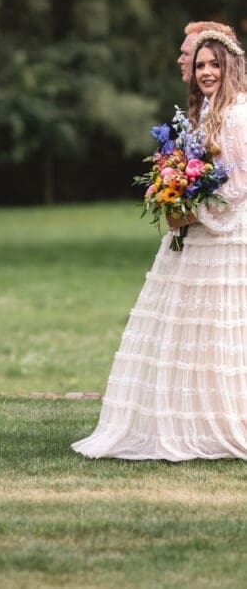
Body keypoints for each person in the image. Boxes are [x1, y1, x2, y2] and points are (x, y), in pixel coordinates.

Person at [72, 30, 247, 460]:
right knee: (191, 329)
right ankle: (193, 419)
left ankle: (226, 420)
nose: (205, 72)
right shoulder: (206, 110)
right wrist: (176, 193)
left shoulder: (238, 115)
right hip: (196, 234)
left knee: (220, 328)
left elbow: (239, 185)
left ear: (230, 67)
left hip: (226, 238)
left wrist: (196, 210)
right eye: (200, 65)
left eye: (213, 65)